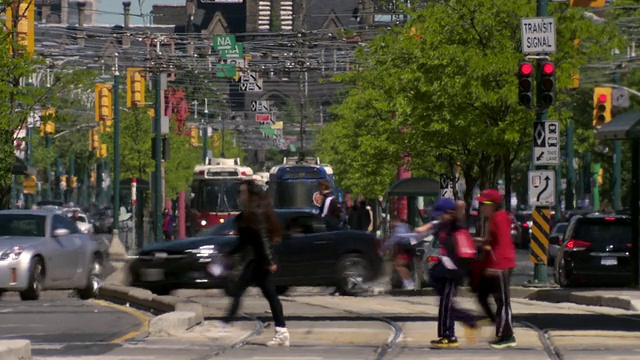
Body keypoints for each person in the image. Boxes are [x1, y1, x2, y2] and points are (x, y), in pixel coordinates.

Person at [222, 180, 290, 347]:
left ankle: (226, 325)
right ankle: (281, 331)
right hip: (257, 262)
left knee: (249, 292)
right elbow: (243, 244)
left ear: (250, 195)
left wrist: (270, 261)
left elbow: (264, 239)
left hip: (261, 263)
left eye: (242, 192)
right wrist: (225, 256)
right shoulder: (247, 215)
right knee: (262, 294)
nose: (240, 196)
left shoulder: (256, 213)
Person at [429, 198, 477, 349]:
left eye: (442, 214)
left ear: (449, 213)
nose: (440, 217)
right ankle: (453, 330)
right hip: (446, 267)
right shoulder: (442, 226)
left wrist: (457, 207)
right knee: (445, 301)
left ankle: (448, 335)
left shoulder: (455, 225)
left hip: (454, 269)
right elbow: (433, 226)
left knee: (446, 302)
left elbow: (461, 207)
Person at [476, 189, 517, 349]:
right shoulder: (496, 218)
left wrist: (494, 266)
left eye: (485, 204)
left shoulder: (498, 218)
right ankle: (503, 332)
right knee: (499, 301)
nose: (482, 207)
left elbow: (502, 244)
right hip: (498, 264)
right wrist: (481, 240)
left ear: (493, 205)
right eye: (481, 204)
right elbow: (493, 241)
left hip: (501, 264)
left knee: (503, 302)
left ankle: (507, 335)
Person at [382, 215, 415, 289]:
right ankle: (399, 283)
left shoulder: (399, 229)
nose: (390, 224)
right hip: (407, 249)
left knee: (399, 266)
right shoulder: (405, 226)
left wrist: (383, 248)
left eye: (390, 222)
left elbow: (394, 239)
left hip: (405, 249)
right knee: (395, 266)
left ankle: (409, 284)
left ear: (394, 221)